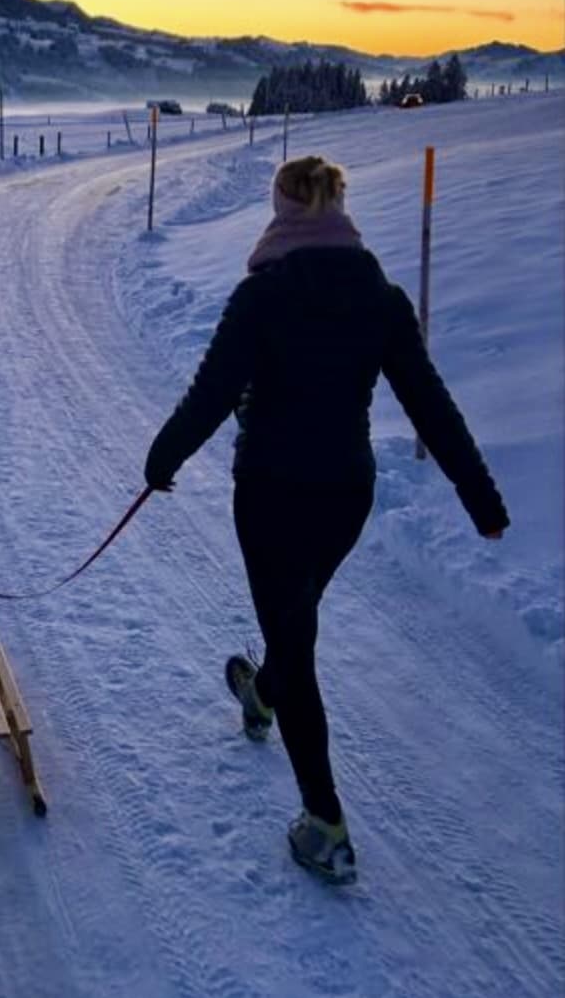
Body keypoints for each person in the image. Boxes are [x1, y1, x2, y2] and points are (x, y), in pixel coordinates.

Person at [142, 155, 509, 884]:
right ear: (341, 210)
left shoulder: (262, 295)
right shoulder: (381, 297)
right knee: (295, 623)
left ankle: (324, 822)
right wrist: (481, 498)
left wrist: (162, 460)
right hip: (347, 493)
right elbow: (429, 402)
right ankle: (261, 692)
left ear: (281, 211)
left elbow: (212, 392)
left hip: (272, 491)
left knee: (294, 638)